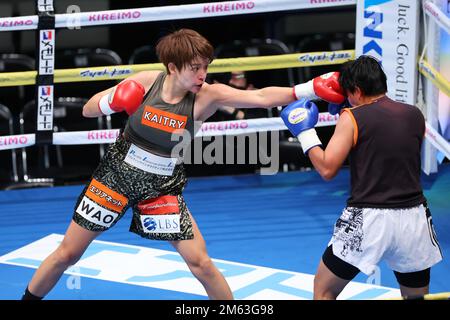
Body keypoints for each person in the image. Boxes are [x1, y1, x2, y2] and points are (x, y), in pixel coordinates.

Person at [21, 28, 344, 300]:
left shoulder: (207, 96)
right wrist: (115, 100)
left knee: (200, 262)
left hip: (161, 185)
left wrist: (308, 89)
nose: (202, 75)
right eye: (194, 67)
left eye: (205, 66)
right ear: (173, 67)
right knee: (68, 253)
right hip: (115, 177)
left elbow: (259, 97)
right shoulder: (147, 82)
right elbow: (89, 110)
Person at [281, 55, 443, 300]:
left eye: (348, 93)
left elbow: (327, 169)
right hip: (414, 218)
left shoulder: (352, 118)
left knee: (324, 290)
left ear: (356, 90)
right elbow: (384, 142)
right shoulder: (415, 115)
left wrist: (305, 132)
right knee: (416, 298)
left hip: (369, 218)